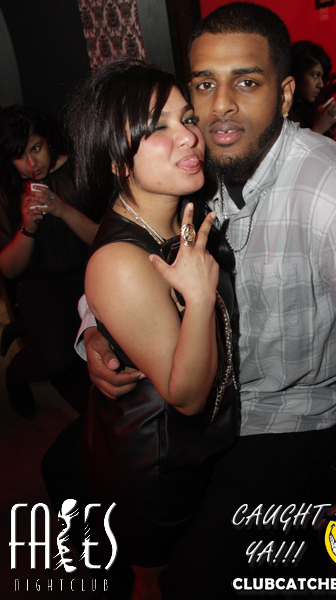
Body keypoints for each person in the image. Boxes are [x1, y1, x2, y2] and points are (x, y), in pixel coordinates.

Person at [76, 3, 336, 596]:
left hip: (291, 415)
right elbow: (128, 252)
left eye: (246, 82)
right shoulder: (193, 168)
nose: (219, 105)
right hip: (209, 405)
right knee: (72, 483)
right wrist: (96, 328)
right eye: (204, 85)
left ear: (285, 95)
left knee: (197, 579)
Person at [43, 59, 238, 600]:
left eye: (187, 118)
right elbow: (186, 396)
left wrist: (97, 328)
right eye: (157, 128)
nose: (189, 136)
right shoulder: (119, 260)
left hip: (196, 446)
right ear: (115, 159)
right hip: (158, 463)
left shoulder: (181, 210)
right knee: (156, 582)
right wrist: (199, 297)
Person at [0, 105, 97, 417]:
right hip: (40, 285)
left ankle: (25, 326)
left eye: (36, 148)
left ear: (48, 140)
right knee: (54, 360)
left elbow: (101, 239)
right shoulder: (7, 190)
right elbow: (9, 269)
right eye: (19, 156)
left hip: (89, 273)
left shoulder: (78, 169)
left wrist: (62, 209)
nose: (32, 163)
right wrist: (26, 227)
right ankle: (15, 374)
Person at [289, 40, 336, 138]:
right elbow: (294, 148)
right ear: (297, 74)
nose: (321, 84)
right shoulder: (282, 112)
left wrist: (328, 131)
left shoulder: (308, 109)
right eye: (315, 75)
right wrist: (318, 129)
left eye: (322, 77)